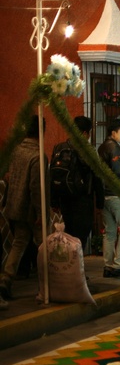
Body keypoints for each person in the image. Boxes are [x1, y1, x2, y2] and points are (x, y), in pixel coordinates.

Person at [0, 116, 49, 300]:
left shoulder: (16, 151)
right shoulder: (38, 155)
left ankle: (6, 278)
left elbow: (9, 177)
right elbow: (37, 187)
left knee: (18, 243)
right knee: (45, 247)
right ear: (41, 131)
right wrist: (40, 212)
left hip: (15, 206)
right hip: (31, 210)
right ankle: (49, 284)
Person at [50, 115, 103, 252]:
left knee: (69, 235)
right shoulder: (88, 151)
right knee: (80, 238)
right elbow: (97, 177)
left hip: (64, 199)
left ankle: (70, 269)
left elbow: (53, 175)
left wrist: (54, 201)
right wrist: (100, 203)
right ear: (85, 133)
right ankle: (77, 271)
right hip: (83, 199)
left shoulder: (59, 148)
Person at [97, 119, 120, 278]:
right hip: (116, 193)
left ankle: (108, 266)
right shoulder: (114, 148)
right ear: (113, 133)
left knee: (109, 232)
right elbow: (118, 172)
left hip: (104, 195)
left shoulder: (102, 147)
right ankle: (119, 265)